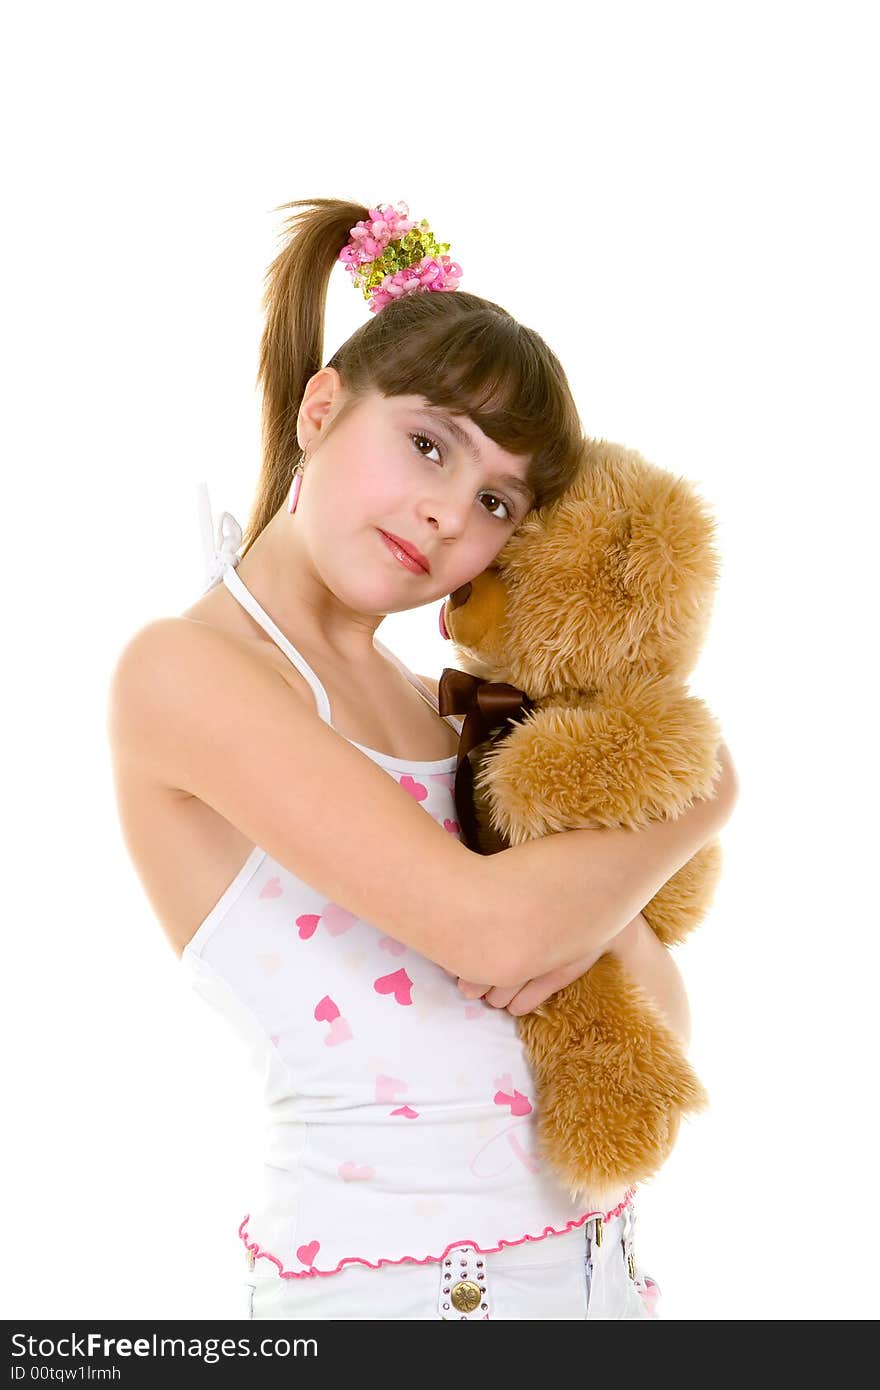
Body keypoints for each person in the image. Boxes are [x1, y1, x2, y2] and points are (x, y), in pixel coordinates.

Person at [107, 198, 738, 1320]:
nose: (450, 511)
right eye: (428, 443)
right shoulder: (191, 673)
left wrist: (599, 878)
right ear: (321, 408)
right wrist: (703, 796)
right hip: (399, 1300)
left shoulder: (455, 715)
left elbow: (654, 1020)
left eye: (496, 499)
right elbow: (491, 929)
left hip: (599, 1277)